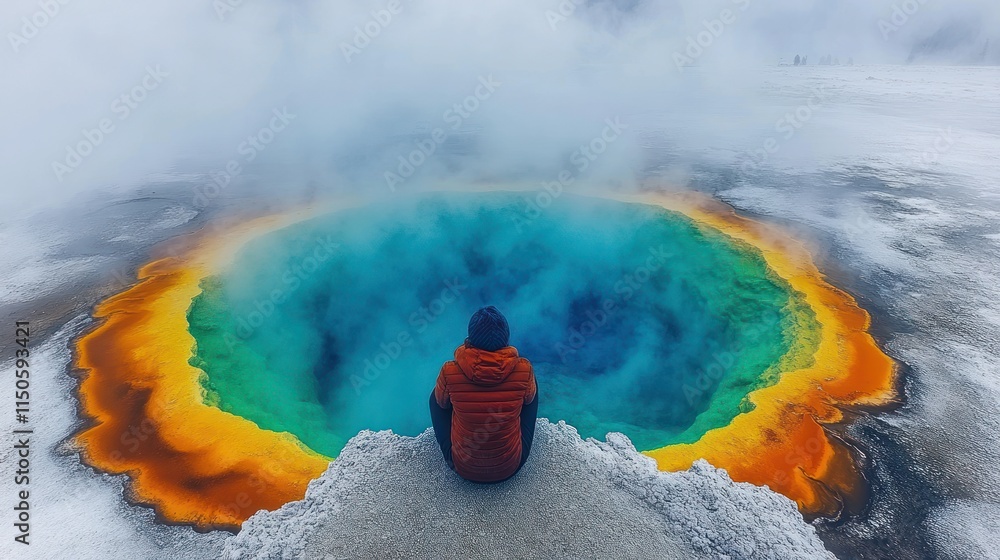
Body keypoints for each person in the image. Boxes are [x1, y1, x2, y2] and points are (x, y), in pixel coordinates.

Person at [429, 306, 538, 483]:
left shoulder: (450, 370)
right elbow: (529, 400)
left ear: (470, 339)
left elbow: (442, 405)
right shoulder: (523, 368)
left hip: (462, 467)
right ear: (506, 338)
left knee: (437, 398)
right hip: (510, 467)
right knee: (530, 391)